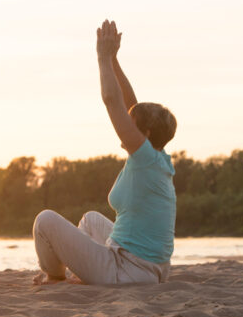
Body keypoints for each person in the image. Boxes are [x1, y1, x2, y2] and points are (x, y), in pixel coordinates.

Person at [32, 20, 177, 286]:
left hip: (127, 269)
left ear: (143, 133)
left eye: (130, 123)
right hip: (148, 267)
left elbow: (113, 102)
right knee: (90, 220)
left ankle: (54, 276)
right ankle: (80, 268)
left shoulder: (146, 157)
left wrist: (101, 57)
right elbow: (130, 104)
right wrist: (114, 60)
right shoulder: (155, 158)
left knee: (45, 221)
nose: (124, 122)